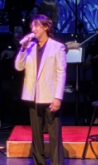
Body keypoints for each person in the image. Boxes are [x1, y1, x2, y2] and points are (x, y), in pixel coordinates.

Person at [15, 15, 66, 165]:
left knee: (54, 134)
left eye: (37, 25)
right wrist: (23, 48)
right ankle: (39, 162)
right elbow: (19, 67)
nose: (33, 29)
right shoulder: (30, 47)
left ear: (46, 27)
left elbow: (61, 73)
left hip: (50, 96)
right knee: (36, 134)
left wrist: (58, 97)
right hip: (33, 95)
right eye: (32, 26)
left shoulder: (57, 47)